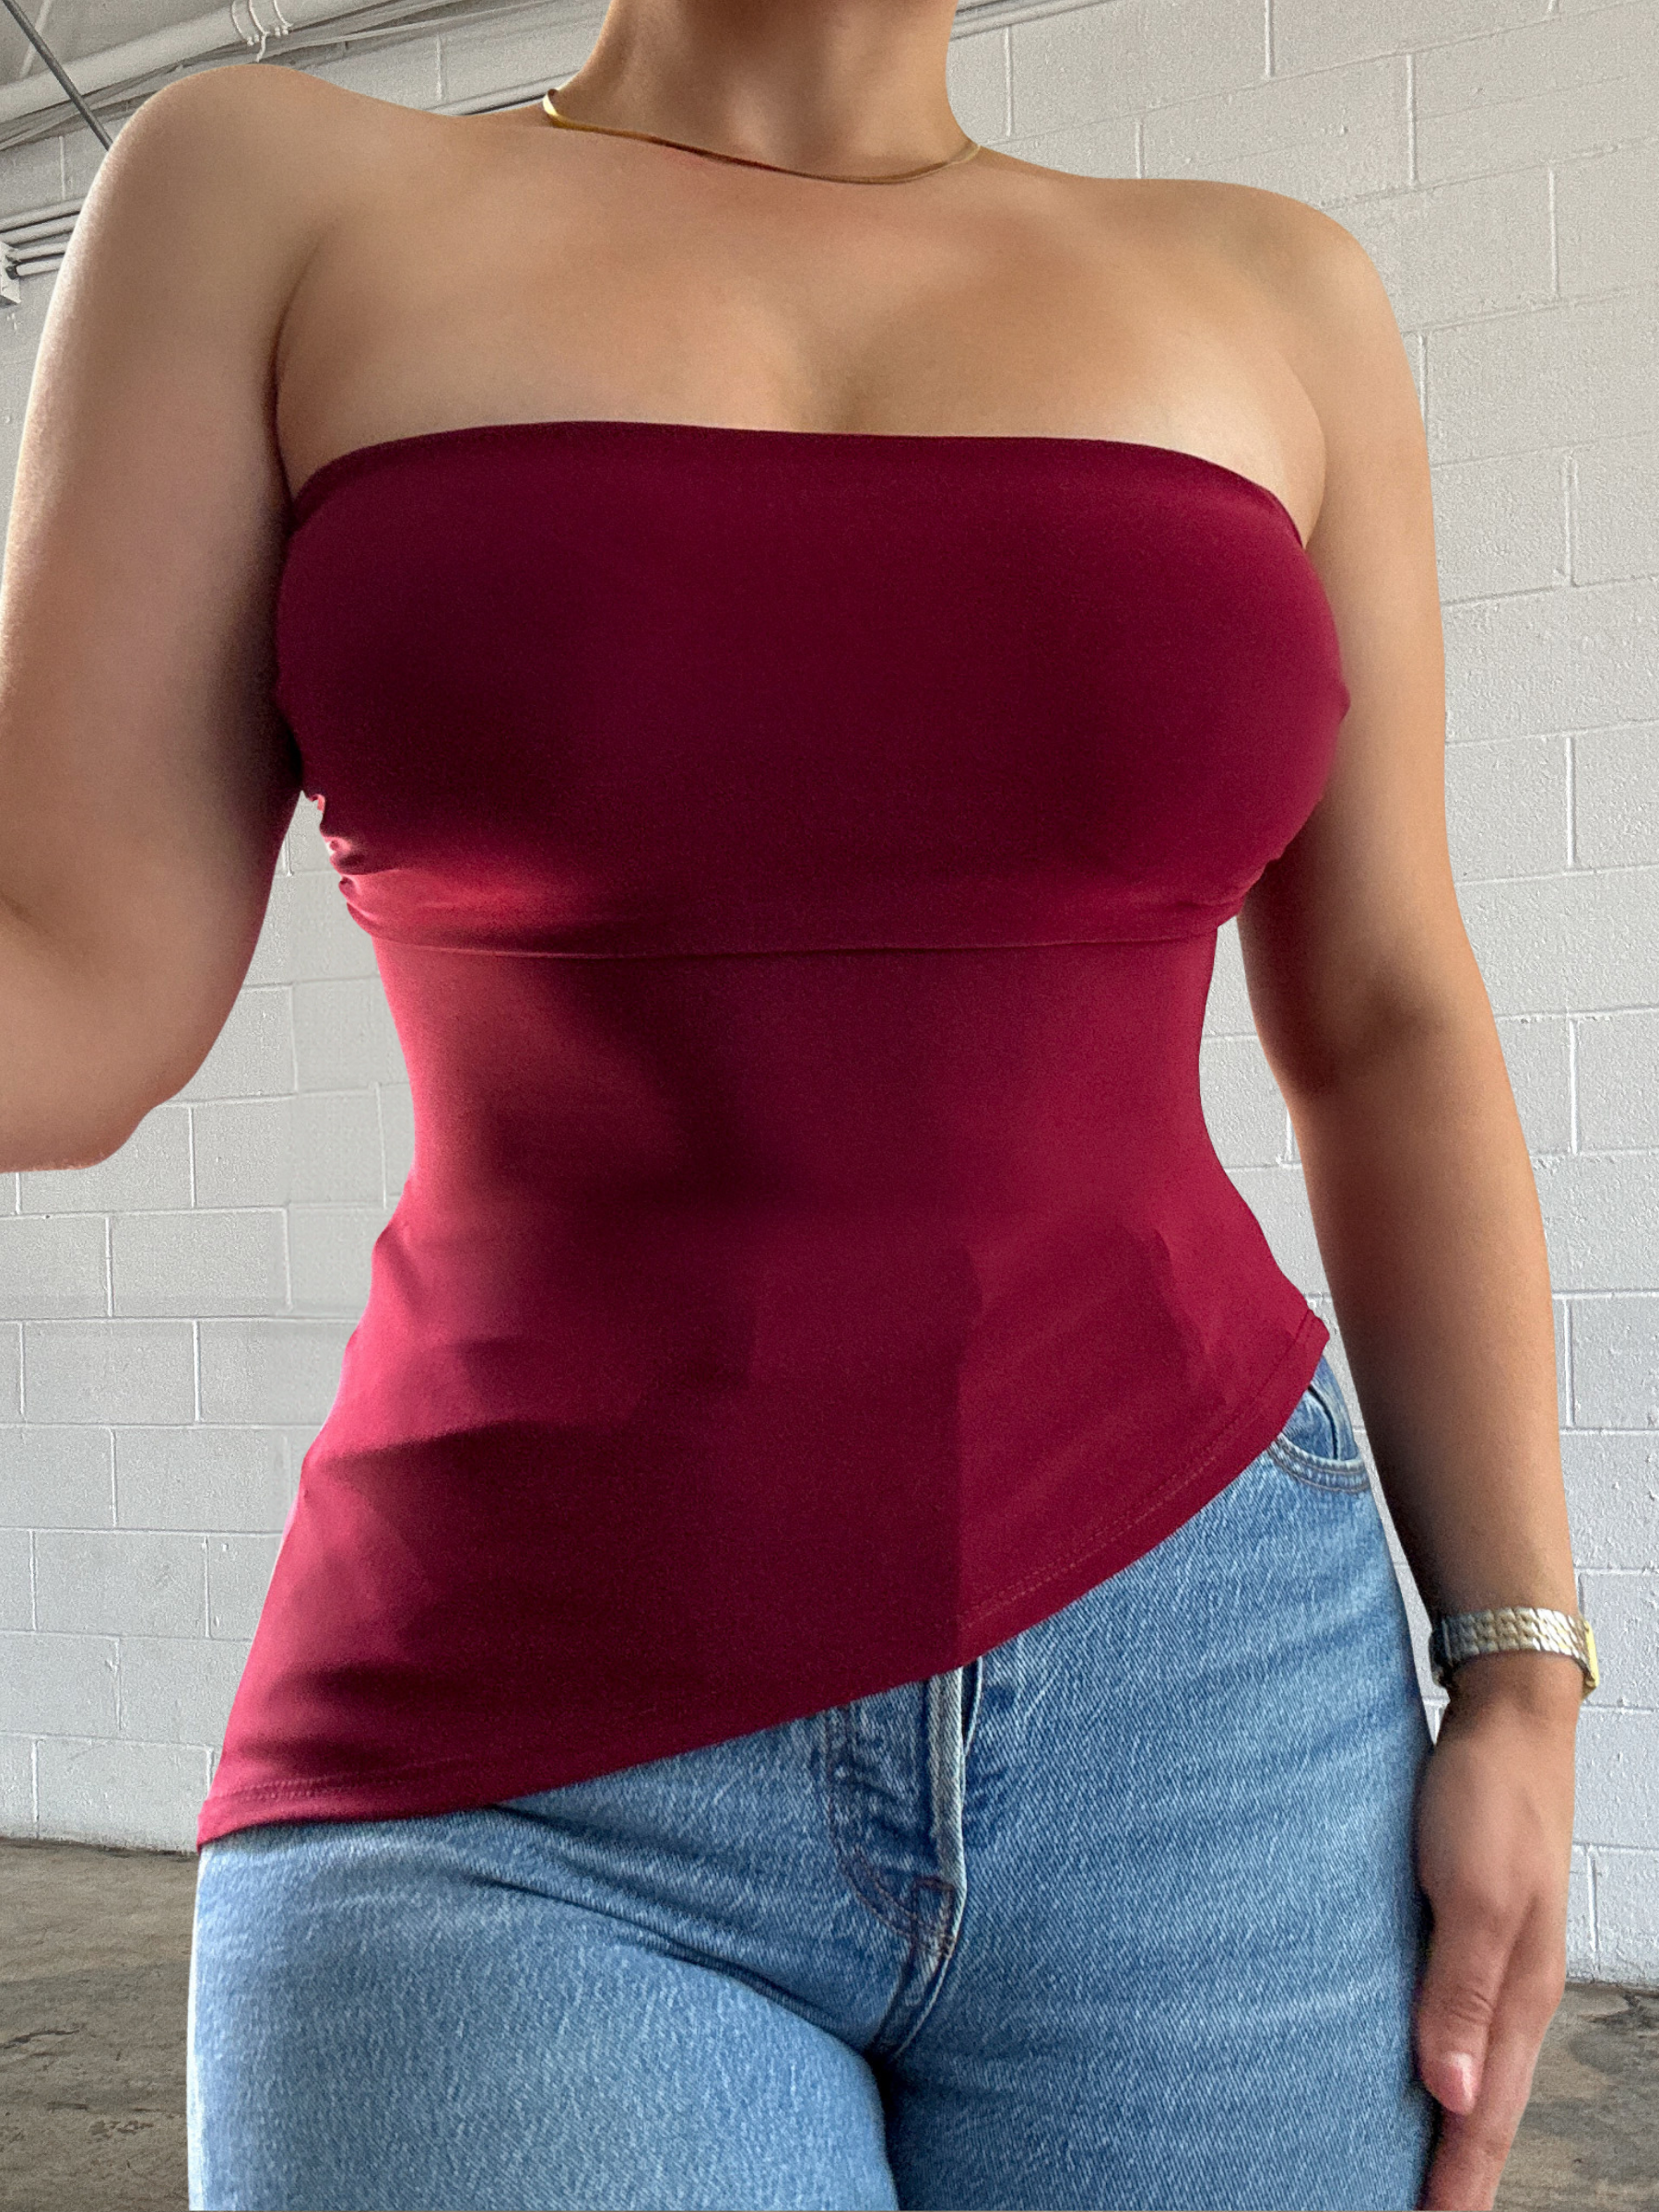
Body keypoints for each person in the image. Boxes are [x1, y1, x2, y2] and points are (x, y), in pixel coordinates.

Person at [0, 2, 1594, 2206]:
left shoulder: (1272, 289)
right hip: (513, 1747)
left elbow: (1391, 1011)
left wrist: (1520, 1667)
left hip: (1225, 1716)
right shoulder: (266, 196)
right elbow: (70, 990)